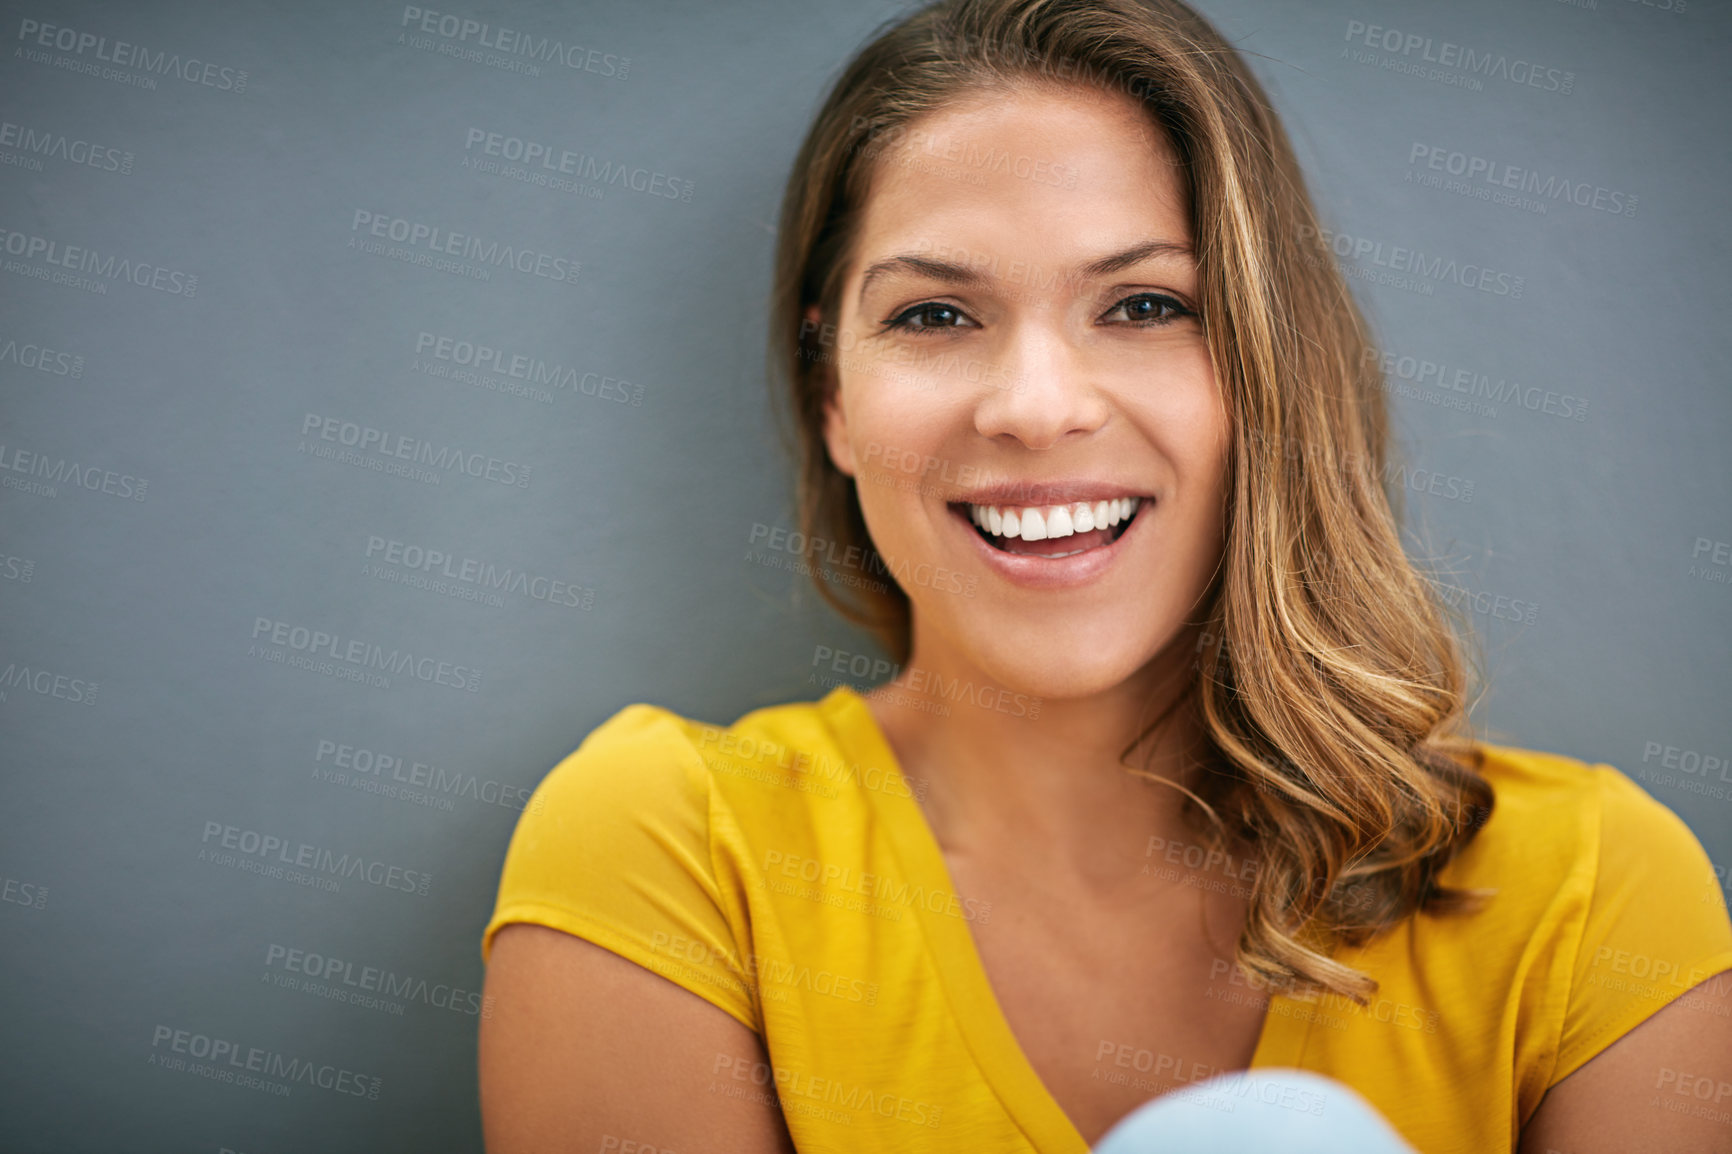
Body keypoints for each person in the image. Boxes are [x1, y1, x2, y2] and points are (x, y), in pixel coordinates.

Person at [476, 1, 1732, 1150]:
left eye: (1142, 306)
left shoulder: (1594, 891)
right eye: (932, 315)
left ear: (1266, 372)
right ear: (832, 397)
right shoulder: (666, 848)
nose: (1034, 406)